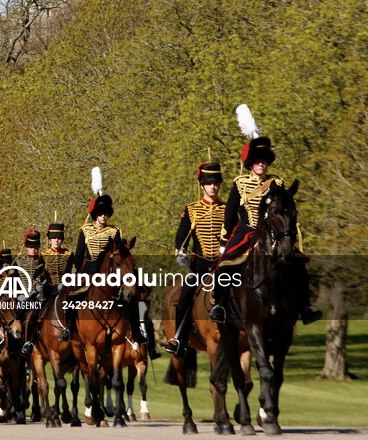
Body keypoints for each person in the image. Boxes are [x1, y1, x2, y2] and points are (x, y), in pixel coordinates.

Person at [211, 134, 323, 325]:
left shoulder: (277, 183)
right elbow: (230, 214)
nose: (262, 164)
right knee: (224, 264)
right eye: (258, 161)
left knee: (299, 264)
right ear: (251, 164)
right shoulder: (240, 183)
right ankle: (219, 306)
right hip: (247, 230)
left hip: (273, 233)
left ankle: (305, 307)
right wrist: (224, 240)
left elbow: (284, 209)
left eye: (264, 161)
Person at [74, 189, 160, 359]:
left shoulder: (115, 231)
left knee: (133, 296)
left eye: (106, 213)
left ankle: (137, 332)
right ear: (94, 214)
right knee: (70, 294)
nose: (104, 216)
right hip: (90, 267)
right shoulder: (84, 230)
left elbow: (120, 253)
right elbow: (78, 255)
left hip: (111, 270)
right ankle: (70, 328)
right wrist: (80, 269)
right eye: (100, 213)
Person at [164, 163, 225, 356]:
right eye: (209, 183)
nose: (213, 186)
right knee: (184, 298)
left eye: (216, 183)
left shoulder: (226, 209)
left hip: (223, 266)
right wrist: (179, 253)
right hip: (200, 266)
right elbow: (181, 237)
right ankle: (180, 339)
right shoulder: (192, 210)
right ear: (202, 186)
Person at [21, 224, 72, 355]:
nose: (56, 240)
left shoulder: (68, 254)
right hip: (48, 290)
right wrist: (38, 284)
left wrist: (66, 282)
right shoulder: (44, 254)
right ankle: (29, 342)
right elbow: (37, 273)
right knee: (34, 314)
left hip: (64, 289)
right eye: (54, 238)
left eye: (59, 238)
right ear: (49, 240)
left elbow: (71, 271)